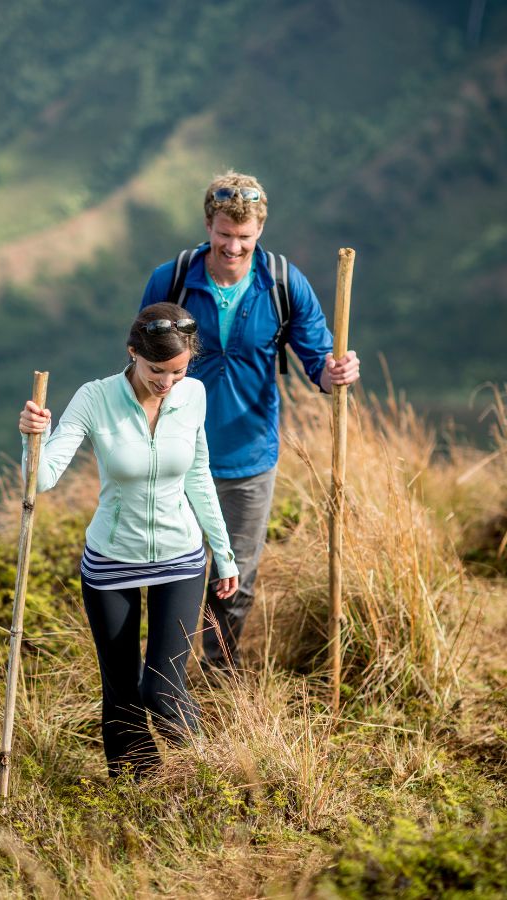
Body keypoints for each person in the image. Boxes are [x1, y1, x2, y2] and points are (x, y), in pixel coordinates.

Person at [140, 171, 360, 671]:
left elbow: (318, 363)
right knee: (174, 574)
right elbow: (142, 364)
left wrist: (334, 372)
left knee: (234, 578)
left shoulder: (283, 284)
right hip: (175, 455)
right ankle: (167, 680)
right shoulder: (172, 279)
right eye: (224, 235)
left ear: (259, 230)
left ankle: (219, 675)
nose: (233, 247)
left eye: (243, 237)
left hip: (249, 459)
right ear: (208, 226)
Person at [18, 302, 239, 778]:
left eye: (177, 372)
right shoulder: (94, 398)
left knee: (163, 687)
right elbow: (42, 478)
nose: (166, 383)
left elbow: (199, 475)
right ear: (132, 352)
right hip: (111, 562)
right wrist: (34, 437)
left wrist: (223, 554)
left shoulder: (194, 395)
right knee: (120, 689)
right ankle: (136, 792)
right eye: (157, 370)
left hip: (182, 557)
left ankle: (207, 776)